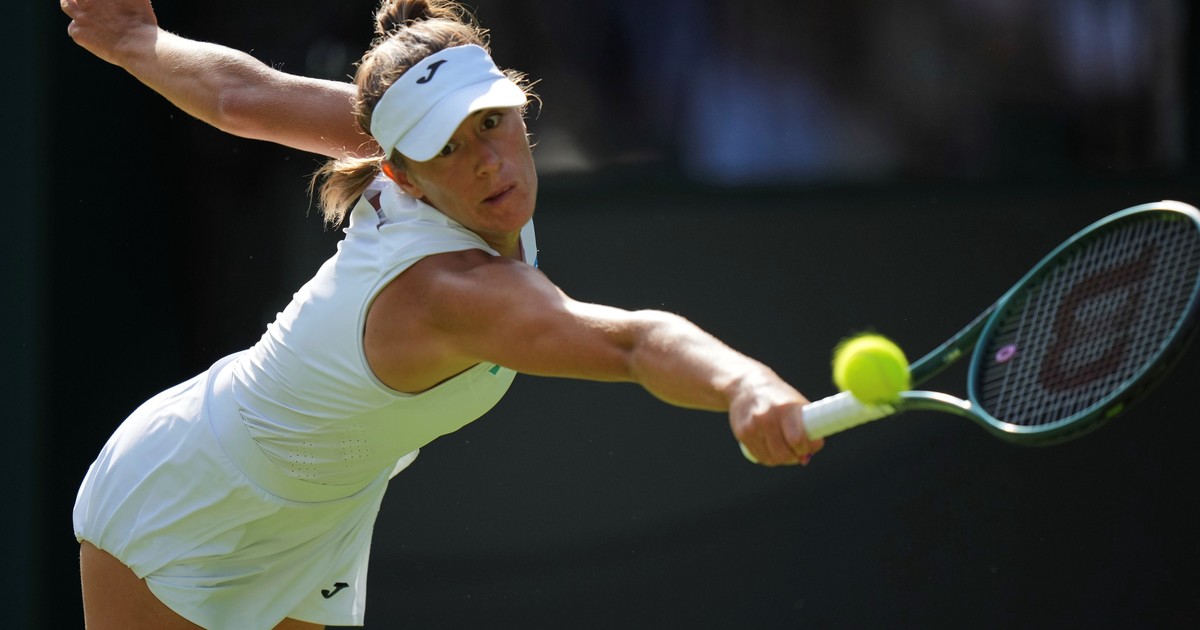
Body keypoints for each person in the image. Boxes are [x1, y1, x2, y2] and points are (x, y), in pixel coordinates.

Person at [61, 0, 825, 627]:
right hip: (191, 498)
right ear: (401, 173)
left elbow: (242, 97)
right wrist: (743, 385)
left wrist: (136, 40)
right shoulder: (452, 292)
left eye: (491, 122)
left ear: (516, 104)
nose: (487, 162)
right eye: (448, 148)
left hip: (323, 519)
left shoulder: (417, 148)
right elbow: (635, 344)